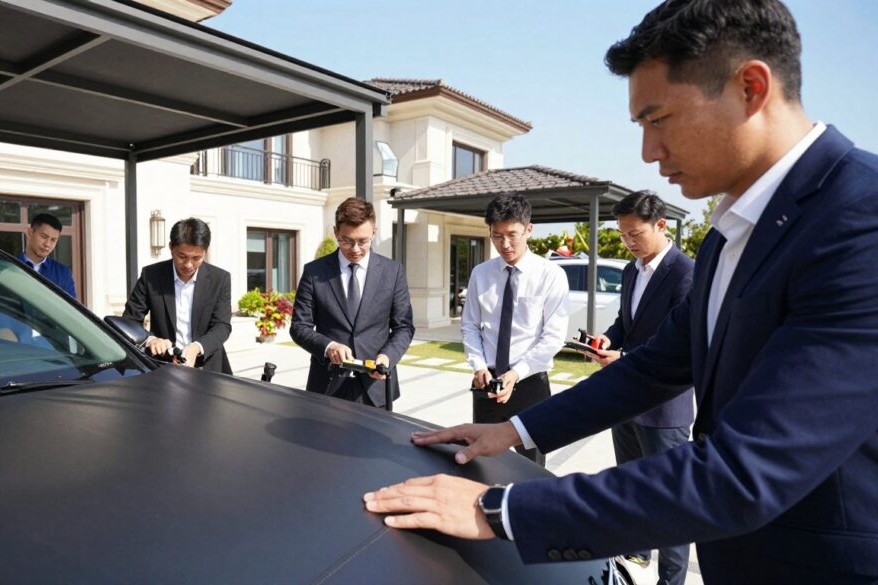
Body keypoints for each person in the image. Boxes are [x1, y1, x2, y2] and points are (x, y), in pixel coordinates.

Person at [363, 1, 878, 582]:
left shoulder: (860, 220)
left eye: (657, 119)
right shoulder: (728, 237)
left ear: (750, 88)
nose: (648, 153)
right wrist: (514, 432)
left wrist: (499, 510)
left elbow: (746, 472)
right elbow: (653, 367)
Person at [585, 190, 695, 584]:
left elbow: (677, 343)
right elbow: (625, 323)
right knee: (631, 483)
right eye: (624, 235)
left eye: (635, 234)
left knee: (670, 499)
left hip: (666, 407)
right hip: (626, 398)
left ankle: (671, 579)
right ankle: (637, 550)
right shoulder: (632, 270)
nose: (629, 242)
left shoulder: (685, 272)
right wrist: (607, 342)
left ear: (661, 225)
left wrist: (627, 359)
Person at [461, 193, 569, 465]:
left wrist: (515, 374)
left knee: (531, 466)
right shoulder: (481, 273)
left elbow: (553, 337)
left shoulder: (551, 275)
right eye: (497, 236)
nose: (505, 244)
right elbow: (470, 326)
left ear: (528, 230)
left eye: (512, 235)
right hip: (486, 380)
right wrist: (478, 366)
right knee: (481, 462)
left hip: (529, 381)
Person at [290, 197, 414, 408]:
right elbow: (299, 327)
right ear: (336, 232)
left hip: (376, 388)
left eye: (363, 241)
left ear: (374, 231)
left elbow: (404, 327)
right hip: (327, 386)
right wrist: (328, 346)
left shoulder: (393, 272)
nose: (355, 249)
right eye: (347, 240)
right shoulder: (314, 272)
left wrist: (387, 357)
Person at [123, 218, 232, 373]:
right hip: (162, 367)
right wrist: (150, 340)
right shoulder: (151, 276)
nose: (188, 265)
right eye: (182, 256)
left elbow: (222, 326)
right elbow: (130, 320)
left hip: (208, 368)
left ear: (205, 252)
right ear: (171, 248)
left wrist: (197, 347)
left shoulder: (219, 279)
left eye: (196, 258)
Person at [20, 212, 76, 298]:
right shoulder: (10, 267)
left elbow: (71, 309)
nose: (47, 244)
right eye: (43, 236)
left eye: (53, 240)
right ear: (30, 232)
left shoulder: (63, 273)